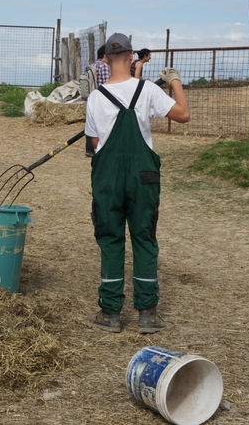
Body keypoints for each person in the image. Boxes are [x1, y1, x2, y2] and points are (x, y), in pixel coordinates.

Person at [85, 33, 189, 334]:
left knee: (110, 239)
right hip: (144, 178)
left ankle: (110, 313)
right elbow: (183, 115)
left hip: (107, 178)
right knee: (144, 237)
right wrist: (175, 82)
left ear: (105, 59)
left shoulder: (95, 97)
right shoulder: (147, 91)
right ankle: (147, 313)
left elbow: (94, 143)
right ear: (132, 57)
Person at [86, 45, 111, 157]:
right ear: (106, 55)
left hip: (91, 97)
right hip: (102, 97)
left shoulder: (91, 66)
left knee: (91, 124)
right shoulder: (104, 66)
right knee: (102, 123)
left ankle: (89, 149)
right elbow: (106, 83)